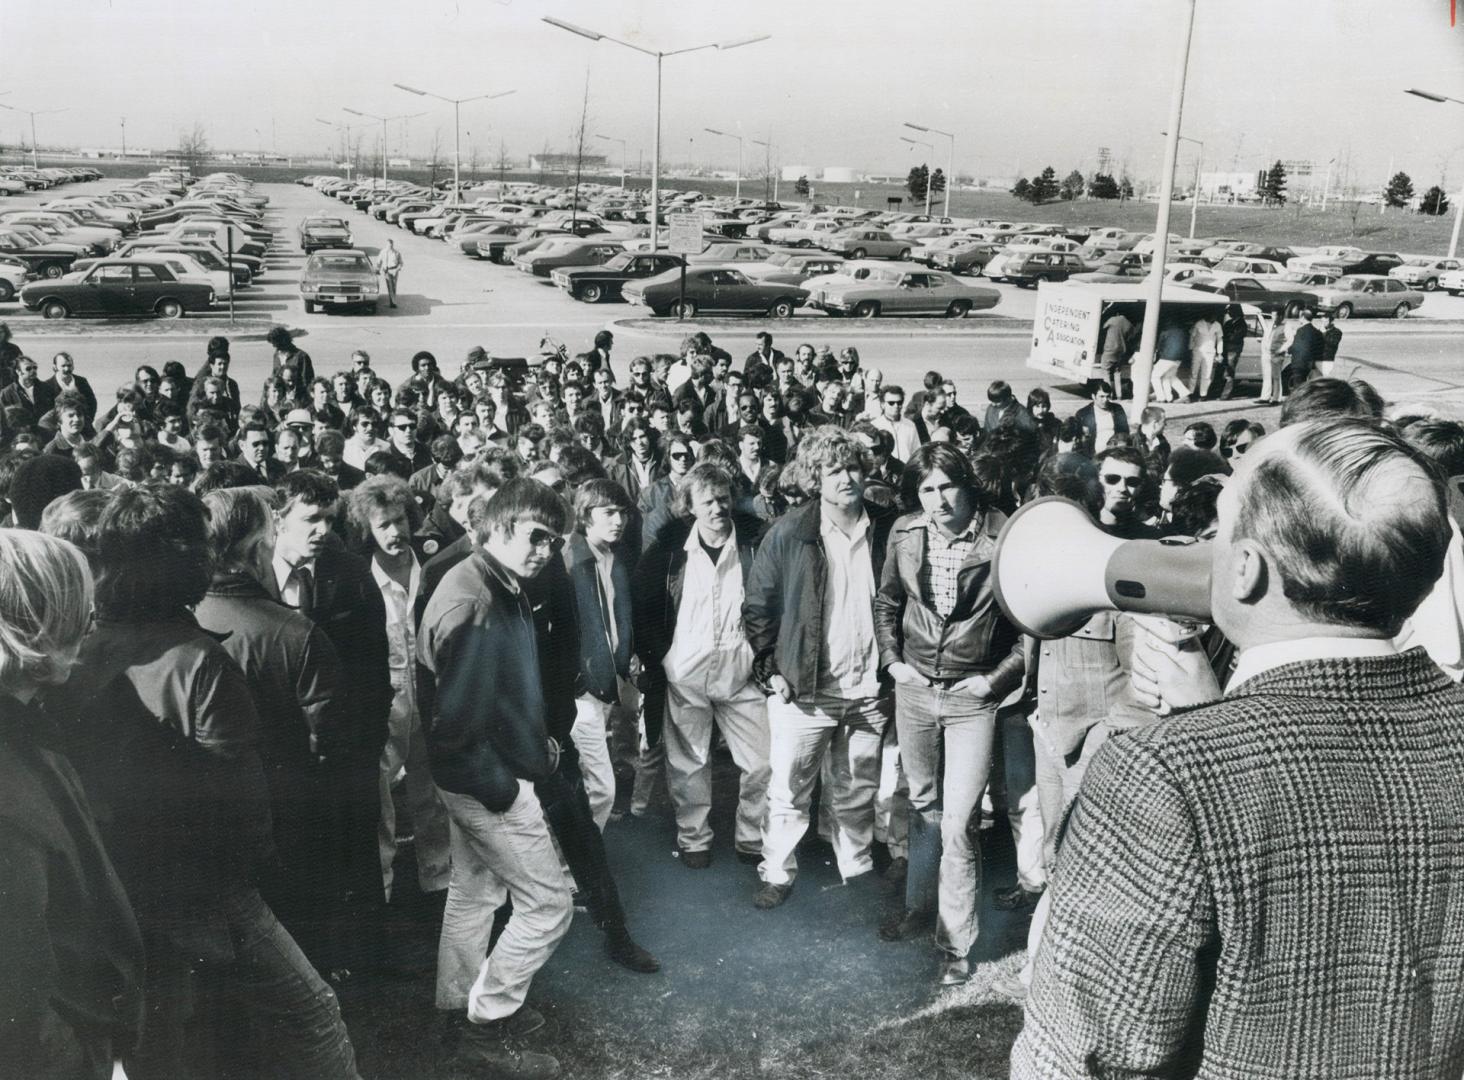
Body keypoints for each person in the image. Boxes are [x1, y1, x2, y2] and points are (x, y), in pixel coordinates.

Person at [1013, 418, 1464, 1079]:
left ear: (1247, 571)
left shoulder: (1162, 772)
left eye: (1221, 530)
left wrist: (1209, 735)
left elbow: (1084, 1055)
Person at [44, 485, 361, 1079]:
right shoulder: (200, 661)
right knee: (314, 1013)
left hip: (123, 883)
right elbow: (239, 806)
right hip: (206, 892)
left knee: (163, 1046)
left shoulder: (86, 648)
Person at [416, 480, 576, 1079]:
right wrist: (506, 790)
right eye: (536, 537)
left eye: (555, 542)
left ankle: (459, 1008)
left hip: (479, 778)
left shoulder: (492, 581)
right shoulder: (476, 601)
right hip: (485, 784)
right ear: (498, 525)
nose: (546, 552)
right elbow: (456, 728)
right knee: (549, 904)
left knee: (476, 891)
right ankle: (486, 1028)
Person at [873, 444, 1024, 987]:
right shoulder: (907, 533)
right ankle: (920, 906)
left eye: (946, 486)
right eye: (925, 490)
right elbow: (887, 602)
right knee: (923, 806)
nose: (937, 501)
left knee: (959, 822)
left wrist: (993, 680)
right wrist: (893, 663)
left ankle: (955, 942)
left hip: (971, 697)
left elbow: (1031, 624)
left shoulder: (1004, 536)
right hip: (914, 689)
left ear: (967, 484)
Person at [0, 530, 145, 1080]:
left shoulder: (28, 719)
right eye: (79, 612)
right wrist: (89, 1063)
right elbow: (14, 998)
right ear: (36, 623)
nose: (91, 625)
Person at [743, 426, 897, 909]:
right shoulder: (790, 533)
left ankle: (856, 867)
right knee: (789, 786)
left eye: (852, 467)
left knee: (857, 785)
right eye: (833, 471)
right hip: (804, 689)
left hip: (868, 687)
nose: (846, 478)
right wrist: (770, 671)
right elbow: (758, 608)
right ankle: (777, 871)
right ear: (815, 478)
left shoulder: (887, 528)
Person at [272, 471, 393, 980]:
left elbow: (374, 665)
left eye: (327, 518)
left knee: (352, 851)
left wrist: (364, 742)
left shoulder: (350, 573)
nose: (320, 529)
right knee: (296, 859)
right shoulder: (255, 572)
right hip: (283, 749)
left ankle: (363, 958)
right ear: (278, 520)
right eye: (308, 519)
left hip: (346, 747)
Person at [635, 463, 770, 870]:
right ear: (689, 506)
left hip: (741, 670)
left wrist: (759, 657)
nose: (718, 508)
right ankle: (694, 839)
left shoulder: (751, 545)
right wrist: (665, 657)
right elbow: (642, 608)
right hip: (686, 671)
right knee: (689, 762)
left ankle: (752, 836)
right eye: (707, 501)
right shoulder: (669, 551)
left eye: (724, 498)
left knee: (763, 761)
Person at [346, 478, 451, 903]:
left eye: (399, 520)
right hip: (386, 699)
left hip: (430, 691)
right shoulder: (359, 576)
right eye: (383, 525)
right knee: (381, 792)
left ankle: (438, 874)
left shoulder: (433, 568)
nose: (394, 532)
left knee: (432, 786)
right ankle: (383, 881)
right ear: (367, 530)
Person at [1073, 380, 1129, 449]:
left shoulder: (1117, 409)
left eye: (1108, 396)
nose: (1105, 400)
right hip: (1092, 456)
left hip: (1114, 453)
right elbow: (1078, 439)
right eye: (1102, 396)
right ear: (1093, 396)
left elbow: (1124, 433)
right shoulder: (1083, 414)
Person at [1098, 309, 1136, 396]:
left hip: (1109, 350)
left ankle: (1109, 394)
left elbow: (1103, 327)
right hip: (1120, 352)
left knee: (1106, 373)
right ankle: (1119, 395)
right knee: (1117, 373)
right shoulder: (1128, 324)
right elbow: (1131, 337)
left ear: (1117, 313)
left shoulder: (1113, 319)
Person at [1287, 308, 1325, 391]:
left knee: (1298, 387)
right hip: (1310, 364)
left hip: (1299, 363)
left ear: (1303, 318)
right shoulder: (1317, 332)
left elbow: (1296, 346)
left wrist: (1289, 350)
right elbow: (1320, 349)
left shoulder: (1300, 331)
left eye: (1299, 317)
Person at [1257, 308, 1289, 405]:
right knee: (1266, 376)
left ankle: (1276, 398)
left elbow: (1290, 340)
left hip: (1276, 354)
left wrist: (1281, 349)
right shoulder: (1271, 325)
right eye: (1272, 315)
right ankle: (1265, 397)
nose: (1273, 318)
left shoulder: (1286, 326)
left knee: (1276, 376)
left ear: (1281, 316)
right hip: (1267, 354)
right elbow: (1267, 337)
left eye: (1275, 315)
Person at [1188, 309, 1222, 400]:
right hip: (1197, 351)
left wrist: (1220, 353)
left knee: (1207, 374)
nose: (1214, 318)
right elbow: (1192, 337)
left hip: (1210, 352)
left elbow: (1220, 339)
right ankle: (1190, 393)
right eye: (1213, 316)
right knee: (1194, 372)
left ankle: (1203, 394)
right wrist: (1190, 349)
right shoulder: (1199, 324)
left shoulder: (1217, 325)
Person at [378, 238, 403, 308]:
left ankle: (392, 303)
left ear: (393, 245)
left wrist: (397, 269)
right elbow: (379, 261)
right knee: (390, 287)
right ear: (386, 245)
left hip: (394, 270)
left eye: (391, 245)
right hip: (386, 271)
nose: (389, 247)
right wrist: (378, 269)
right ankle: (393, 303)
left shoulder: (397, 253)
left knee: (394, 287)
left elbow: (401, 263)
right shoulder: (383, 252)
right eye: (388, 245)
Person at [1320, 311, 1343, 376]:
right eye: (1322, 321)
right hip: (1317, 358)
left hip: (1327, 359)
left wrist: (1323, 334)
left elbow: (1332, 343)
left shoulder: (1337, 332)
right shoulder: (1320, 331)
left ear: (1331, 321)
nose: (1323, 324)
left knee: (1325, 377)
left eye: (1325, 322)